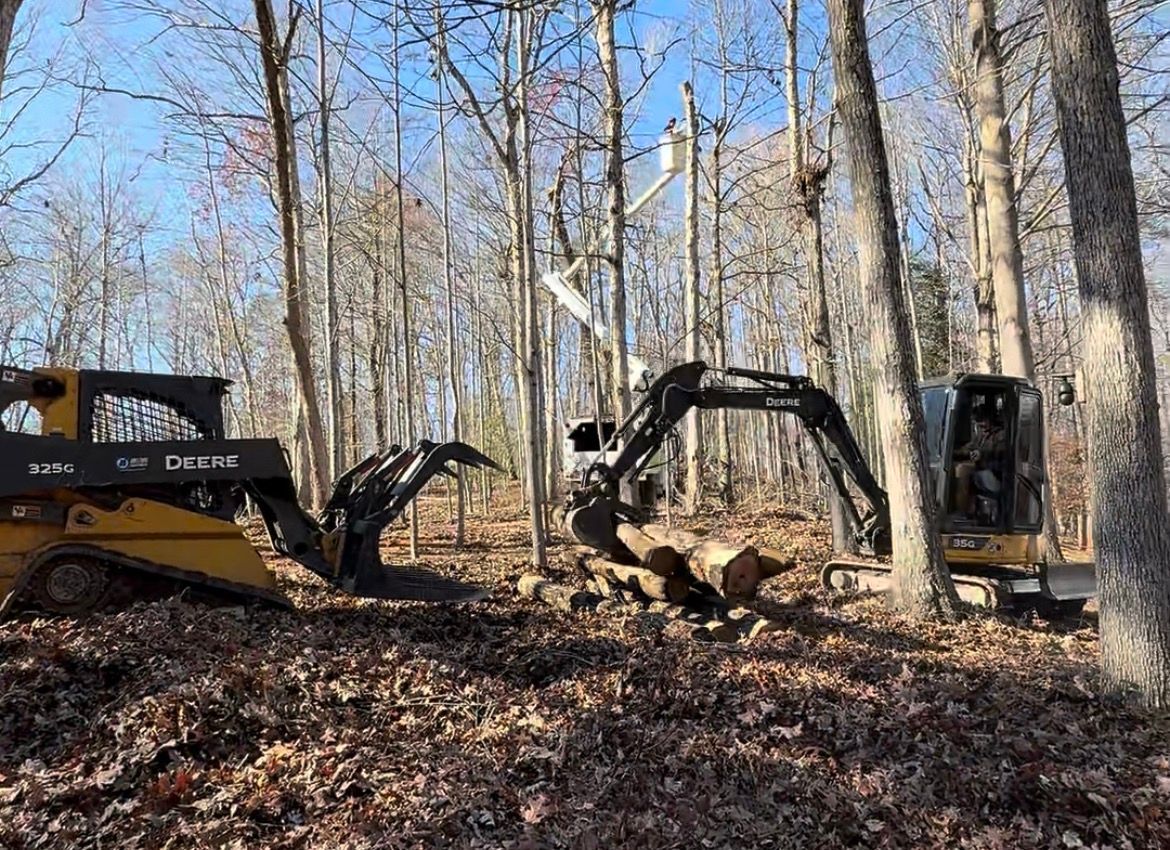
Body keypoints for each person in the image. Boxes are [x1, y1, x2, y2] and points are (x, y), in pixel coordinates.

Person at [953, 403, 1006, 518]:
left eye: (982, 421)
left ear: (990, 419)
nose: (980, 425)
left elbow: (1000, 457)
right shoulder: (981, 436)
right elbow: (967, 448)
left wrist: (982, 457)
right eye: (978, 422)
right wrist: (966, 453)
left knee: (963, 471)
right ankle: (969, 509)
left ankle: (961, 512)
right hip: (984, 471)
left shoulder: (1001, 436)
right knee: (958, 467)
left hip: (997, 476)